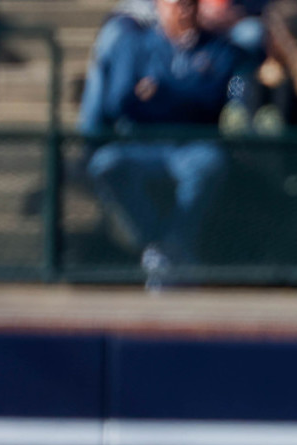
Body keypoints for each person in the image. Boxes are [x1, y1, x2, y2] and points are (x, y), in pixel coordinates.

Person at [80, 0, 242, 289]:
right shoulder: (138, 44)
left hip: (193, 143)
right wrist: (188, 91)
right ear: (159, 8)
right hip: (144, 143)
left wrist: (162, 92)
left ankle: (174, 244)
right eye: (176, 4)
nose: (184, 11)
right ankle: (158, 245)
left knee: (208, 164)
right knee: (106, 164)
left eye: (190, 4)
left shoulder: (219, 47)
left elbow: (221, 94)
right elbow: (120, 100)